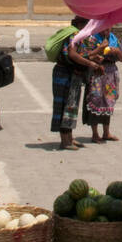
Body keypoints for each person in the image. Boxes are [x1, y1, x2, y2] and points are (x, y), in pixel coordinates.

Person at [77, 27, 122, 142]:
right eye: (104, 28)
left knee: (108, 101)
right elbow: (86, 56)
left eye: (108, 28)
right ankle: (95, 134)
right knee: (96, 100)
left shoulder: (114, 39)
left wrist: (117, 51)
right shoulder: (92, 39)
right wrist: (100, 49)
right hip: (97, 73)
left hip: (111, 74)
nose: (106, 30)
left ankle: (106, 132)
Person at [51, 16, 90, 150]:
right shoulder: (73, 34)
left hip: (71, 74)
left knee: (71, 105)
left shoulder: (77, 34)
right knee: (64, 105)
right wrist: (90, 63)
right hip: (64, 75)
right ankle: (65, 141)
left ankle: (70, 138)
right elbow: (73, 55)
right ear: (80, 23)